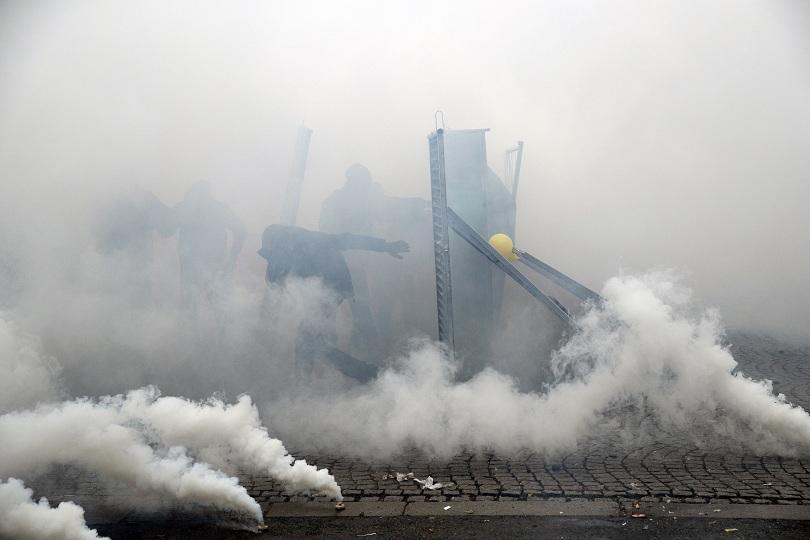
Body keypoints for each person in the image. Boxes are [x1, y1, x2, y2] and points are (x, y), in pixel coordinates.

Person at [257, 223, 409, 383]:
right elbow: (273, 282)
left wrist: (385, 246)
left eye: (275, 252)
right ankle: (366, 374)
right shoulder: (280, 256)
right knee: (314, 344)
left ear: (286, 244)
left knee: (308, 339)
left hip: (334, 288)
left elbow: (347, 239)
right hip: (317, 294)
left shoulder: (312, 242)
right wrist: (264, 324)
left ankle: (367, 374)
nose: (273, 257)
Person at [93, 188, 176, 303]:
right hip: (133, 267)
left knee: (122, 300)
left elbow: (167, 225)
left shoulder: (113, 197)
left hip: (124, 268)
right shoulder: (143, 197)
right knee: (135, 301)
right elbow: (168, 226)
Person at [174, 181, 245, 307]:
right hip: (192, 266)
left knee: (214, 305)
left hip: (213, 265)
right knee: (197, 306)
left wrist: (233, 256)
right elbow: (167, 228)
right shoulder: (186, 209)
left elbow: (240, 230)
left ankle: (217, 326)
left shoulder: (217, 209)